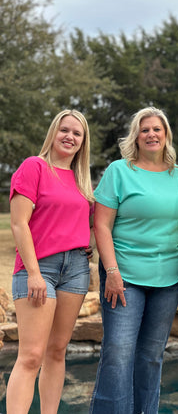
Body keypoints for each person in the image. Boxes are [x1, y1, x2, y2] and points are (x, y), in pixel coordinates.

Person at [90, 106, 178, 414]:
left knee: (151, 356)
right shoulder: (119, 171)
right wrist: (112, 272)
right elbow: (101, 225)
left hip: (168, 279)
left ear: (166, 135)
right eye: (144, 129)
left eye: (156, 129)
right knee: (118, 353)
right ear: (135, 136)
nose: (151, 134)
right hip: (124, 277)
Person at [6, 110, 95, 414]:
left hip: (76, 270)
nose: (70, 137)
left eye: (77, 133)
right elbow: (19, 224)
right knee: (31, 355)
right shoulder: (35, 167)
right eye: (64, 130)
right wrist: (33, 273)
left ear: (83, 142)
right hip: (38, 267)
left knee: (57, 352)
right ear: (53, 133)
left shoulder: (83, 180)